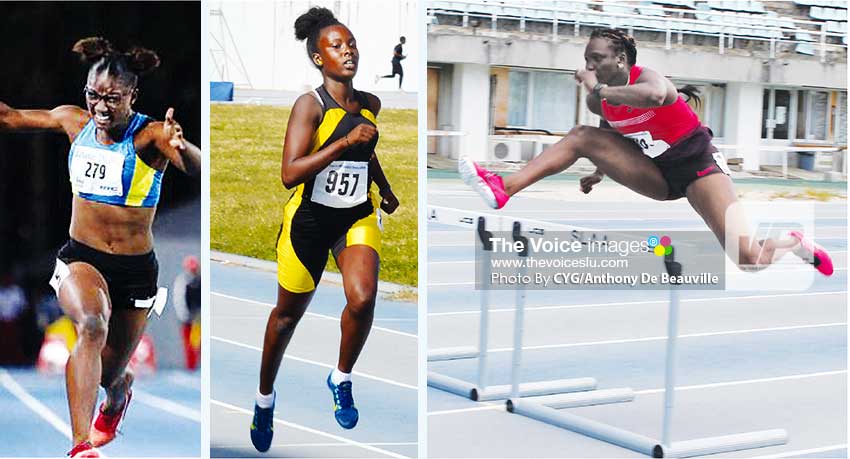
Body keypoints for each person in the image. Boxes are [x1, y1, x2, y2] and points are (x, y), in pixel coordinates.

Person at [460, 28, 832, 276]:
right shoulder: (601, 104)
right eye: (587, 59)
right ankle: (503, 188)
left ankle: (795, 244)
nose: (589, 65)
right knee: (581, 135)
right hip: (657, 175)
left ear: (620, 60)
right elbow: (610, 133)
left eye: (597, 59)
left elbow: (655, 97)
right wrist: (599, 171)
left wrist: (598, 90)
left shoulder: (648, 80)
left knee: (747, 260)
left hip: (699, 169)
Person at [0, 37, 201, 457]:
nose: (101, 107)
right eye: (93, 96)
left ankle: (117, 396)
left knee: (110, 374)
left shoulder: (151, 135)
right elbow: (11, 117)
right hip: (82, 258)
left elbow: (195, 167)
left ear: (132, 95)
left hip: (135, 273)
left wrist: (184, 148)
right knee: (91, 325)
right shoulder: (73, 122)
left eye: (113, 98)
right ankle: (80, 446)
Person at [250, 6, 399, 453]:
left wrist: (384, 188)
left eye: (351, 43)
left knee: (364, 296)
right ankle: (264, 399)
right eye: (337, 46)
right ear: (319, 58)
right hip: (310, 222)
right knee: (285, 319)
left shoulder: (370, 104)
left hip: (354, 215)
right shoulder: (309, 106)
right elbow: (289, 173)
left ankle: (341, 376)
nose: (348, 51)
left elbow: (365, 153)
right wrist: (341, 145)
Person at [173, 255, 201, 370]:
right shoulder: (182, 281)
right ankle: (191, 367)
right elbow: (179, 299)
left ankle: (197, 365)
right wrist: (185, 316)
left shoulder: (200, 280)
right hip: (187, 319)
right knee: (189, 345)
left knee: (197, 344)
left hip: (198, 319)